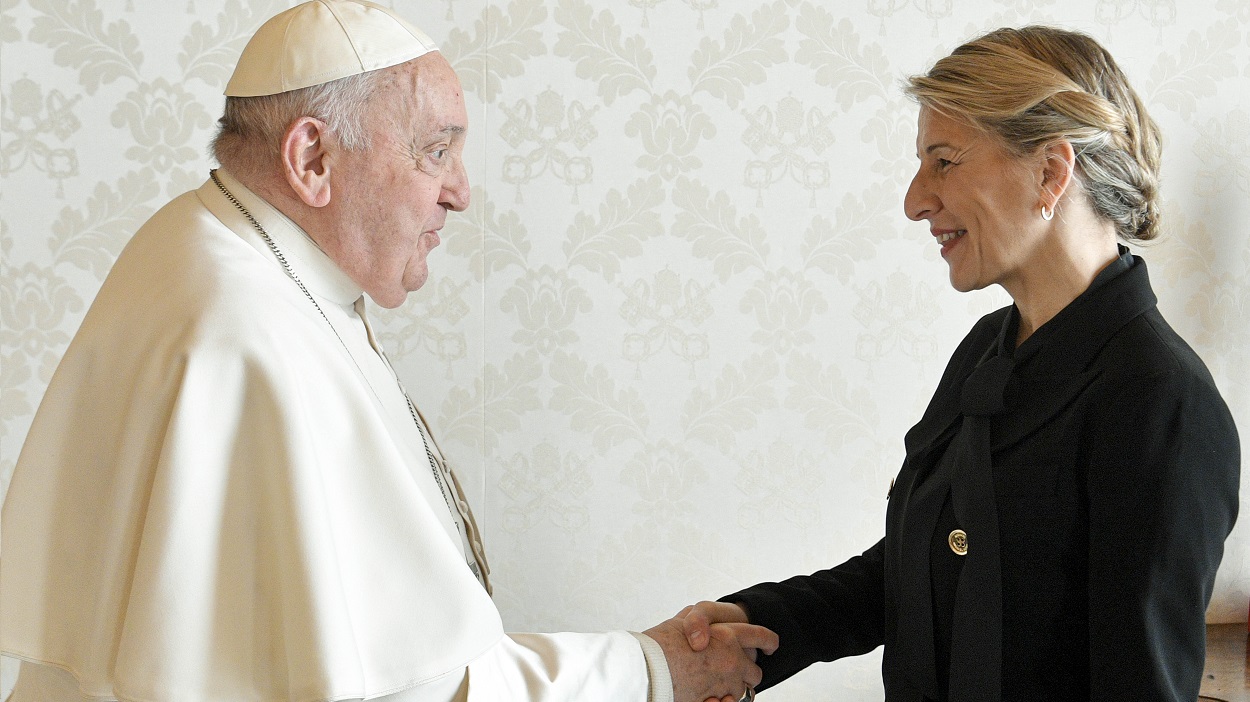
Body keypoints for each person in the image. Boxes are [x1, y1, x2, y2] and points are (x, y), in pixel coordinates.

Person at [0, 2, 776, 701]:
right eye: (435, 152)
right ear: (312, 161)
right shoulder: (248, 336)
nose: (460, 192)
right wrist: (648, 671)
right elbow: (416, 688)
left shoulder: (203, 246)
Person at [679, 25, 1240, 702]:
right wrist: (752, 625)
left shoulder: (1161, 404)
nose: (916, 200)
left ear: (1051, 172)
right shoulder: (987, 351)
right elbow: (915, 573)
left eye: (943, 161)